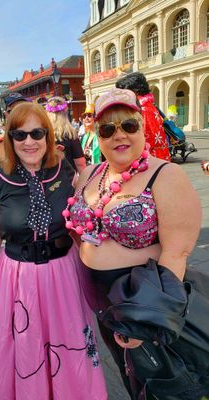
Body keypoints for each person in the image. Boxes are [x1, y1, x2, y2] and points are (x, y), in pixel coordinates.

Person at [64, 88, 205, 399]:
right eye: (107, 129)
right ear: (96, 134)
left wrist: (145, 320)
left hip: (145, 306)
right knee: (130, 378)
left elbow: (176, 251)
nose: (119, 136)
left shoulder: (165, 175)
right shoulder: (91, 173)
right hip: (103, 306)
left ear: (143, 126)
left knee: (160, 386)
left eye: (128, 125)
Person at [0, 102, 107, 399]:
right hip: (17, 278)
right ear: (9, 139)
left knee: (69, 340)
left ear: (48, 136)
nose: (29, 141)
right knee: (27, 343)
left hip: (63, 273)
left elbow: (83, 219)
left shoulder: (65, 171)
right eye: (19, 135)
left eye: (37, 133)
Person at [116, 72, 171, 161]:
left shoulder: (141, 109)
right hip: (159, 157)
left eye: (125, 92)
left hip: (148, 160)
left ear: (135, 91)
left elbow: (141, 137)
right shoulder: (149, 105)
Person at [46, 96, 86, 173]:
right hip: (68, 179)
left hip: (47, 181)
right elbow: (80, 164)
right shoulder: (70, 134)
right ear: (65, 114)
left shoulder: (42, 135)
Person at [0, 92, 28, 165]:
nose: (19, 114)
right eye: (13, 111)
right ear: (6, 115)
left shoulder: (39, 138)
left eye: (23, 109)